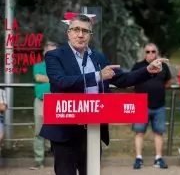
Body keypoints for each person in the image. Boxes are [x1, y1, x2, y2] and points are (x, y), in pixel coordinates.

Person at [39, 14, 168, 175]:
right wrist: (97, 76)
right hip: (65, 129)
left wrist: (147, 70)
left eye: (85, 31)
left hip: (93, 129)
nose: (80, 34)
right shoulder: (55, 55)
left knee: (92, 171)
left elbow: (122, 79)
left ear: (90, 35)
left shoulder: (98, 57)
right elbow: (61, 82)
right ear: (68, 33)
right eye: (76, 30)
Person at [131, 43, 172, 169]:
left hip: (159, 105)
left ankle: (158, 159)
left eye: (153, 51)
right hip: (141, 104)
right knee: (139, 133)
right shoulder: (138, 66)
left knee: (159, 133)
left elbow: (168, 81)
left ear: (157, 53)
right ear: (144, 53)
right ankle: (138, 159)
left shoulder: (163, 66)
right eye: (147, 52)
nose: (150, 54)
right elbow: (131, 80)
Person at [29, 41, 57, 170]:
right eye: (50, 52)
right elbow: (39, 78)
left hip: (56, 102)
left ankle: (59, 160)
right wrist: (54, 78)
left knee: (59, 131)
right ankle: (38, 161)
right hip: (41, 101)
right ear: (44, 53)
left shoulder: (60, 66)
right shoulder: (38, 65)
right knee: (39, 131)